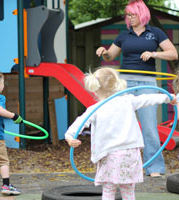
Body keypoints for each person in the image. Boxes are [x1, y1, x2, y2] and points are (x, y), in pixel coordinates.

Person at [65, 67, 176, 200]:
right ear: (116, 84)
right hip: (130, 154)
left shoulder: (95, 109)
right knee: (128, 191)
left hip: (109, 155)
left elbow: (79, 123)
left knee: (108, 191)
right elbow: (147, 98)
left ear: (95, 89)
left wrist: (70, 137)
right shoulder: (128, 101)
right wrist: (169, 97)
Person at [96, 0, 178, 177]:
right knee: (119, 125)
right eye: (128, 15)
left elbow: (173, 53)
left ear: (141, 14)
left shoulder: (155, 33)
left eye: (132, 14)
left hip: (147, 83)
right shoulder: (124, 35)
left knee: (149, 127)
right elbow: (111, 56)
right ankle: (118, 166)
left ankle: (154, 168)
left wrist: (154, 53)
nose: (129, 17)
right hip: (124, 83)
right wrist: (104, 51)